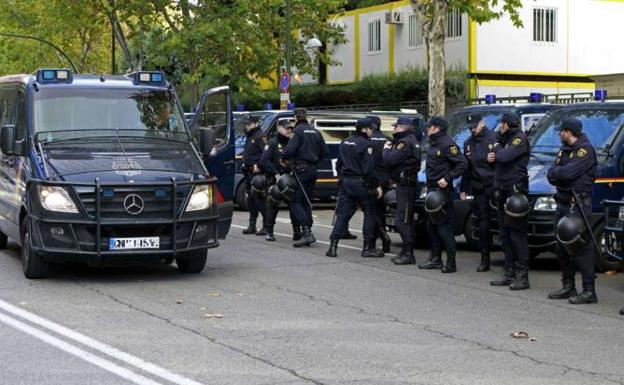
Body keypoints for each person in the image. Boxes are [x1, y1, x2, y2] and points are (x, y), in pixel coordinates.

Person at [547, 118, 598, 304]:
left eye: (561, 131)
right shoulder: (564, 150)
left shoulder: (585, 151)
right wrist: (559, 173)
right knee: (561, 246)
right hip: (562, 202)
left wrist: (559, 173)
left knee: (581, 246)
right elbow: (551, 174)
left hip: (578, 205)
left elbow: (566, 173)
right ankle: (568, 285)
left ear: (568, 132)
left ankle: (589, 290)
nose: (559, 134)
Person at [326, 118, 383, 258]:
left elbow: (338, 164)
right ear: (364, 129)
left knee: (342, 215)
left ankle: (332, 247)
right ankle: (368, 248)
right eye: (370, 129)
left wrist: (341, 179)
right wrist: (376, 186)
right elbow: (369, 170)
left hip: (346, 182)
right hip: (361, 183)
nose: (372, 131)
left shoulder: (345, 142)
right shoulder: (366, 145)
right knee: (369, 213)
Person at [419, 116, 467, 273]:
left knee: (443, 227)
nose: (427, 129)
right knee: (431, 226)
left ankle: (451, 263)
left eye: (429, 126)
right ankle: (435, 258)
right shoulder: (434, 142)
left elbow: (462, 164)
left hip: (442, 191)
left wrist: (447, 178)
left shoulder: (447, 143)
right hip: (432, 188)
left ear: (436, 128)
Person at [489, 112, 531, 290]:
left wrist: (497, 150)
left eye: (501, 124)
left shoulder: (519, 139)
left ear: (507, 124)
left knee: (517, 235)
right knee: (504, 233)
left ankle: (523, 275)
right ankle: (509, 272)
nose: (500, 127)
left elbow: (505, 157)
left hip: (515, 192)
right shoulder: (503, 139)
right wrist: (493, 156)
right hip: (502, 189)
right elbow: (497, 159)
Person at [281, 108, 329, 247]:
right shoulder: (316, 131)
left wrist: (284, 158)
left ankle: (307, 232)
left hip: (300, 170)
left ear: (296, 118)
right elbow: (325, 152)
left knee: (296, 201)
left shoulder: (297, 131)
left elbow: (290, 150)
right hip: (313, 169)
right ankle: (307, 230)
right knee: (306, 200)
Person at [460, 114, 497, 272]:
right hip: (479, 187)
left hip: (494, 186)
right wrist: (463, 188)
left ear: (482, 123)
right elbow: (467, 168)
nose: (473, 129)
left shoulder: (494, 139)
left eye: (475, 126)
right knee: (482, 223)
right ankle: (484, 258)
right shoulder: (468, 143)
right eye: (470, 128)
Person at [383, 116, 422, 265]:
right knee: (406, 219)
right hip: (405, 182)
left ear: (403, 127)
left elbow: (390, 160)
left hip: (406, 184)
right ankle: (406, 250)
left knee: (402, 220)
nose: (394, 129)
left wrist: (386, 149)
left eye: (396, 127)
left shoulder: (404, 142)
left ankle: (409, 253)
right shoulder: (408, 140)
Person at [260, 119, 296, 242]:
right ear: (279, 128)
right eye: (286, 128)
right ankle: (269, 231)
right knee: (273, 204)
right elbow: (264, 161)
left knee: (294, 205)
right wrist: (276, 173)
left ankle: (297, 231)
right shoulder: (272, 143)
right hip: (277, 179)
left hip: (290, 178)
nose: (289, 130)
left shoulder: (292, 142)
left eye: (290, 128)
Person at [367, 115, 393, 252]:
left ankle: (375, 235)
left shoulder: (367, 140)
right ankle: (381, 232)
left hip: (372, 179)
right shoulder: (388, 140)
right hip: (385, 179)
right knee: (382, 208)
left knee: (371, 209)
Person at [240, 115, 268, 235]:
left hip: (257, 173)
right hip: (248, 171)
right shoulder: (250, 135)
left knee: (259, 199)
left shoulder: (260, 136)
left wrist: (259, 165)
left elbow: (265, 154)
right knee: (251, 200)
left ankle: (267, 225)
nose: (247, 126)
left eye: (249, 123)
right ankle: (252, 224)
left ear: (256, 123)